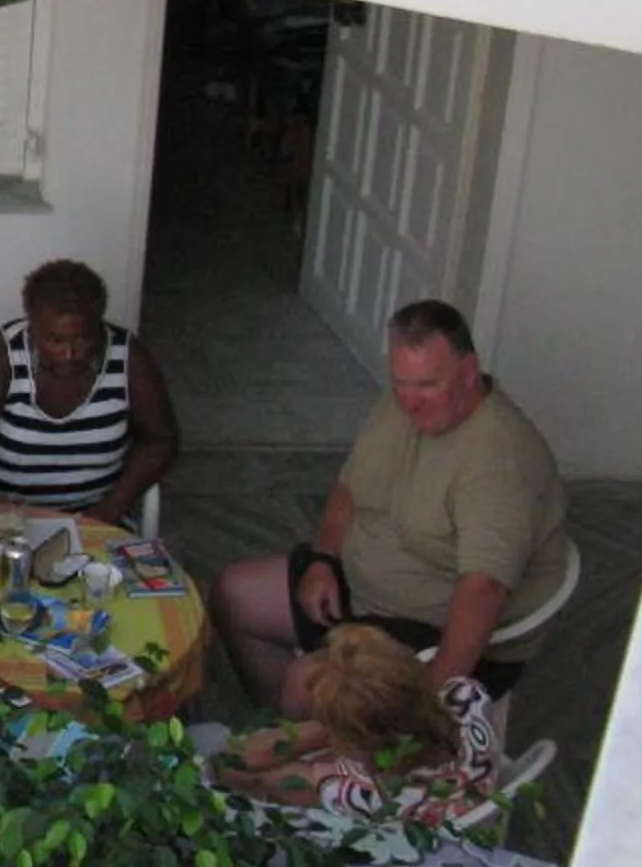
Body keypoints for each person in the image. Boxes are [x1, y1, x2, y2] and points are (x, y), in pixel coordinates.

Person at [210, 298, 569, 713]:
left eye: (427, 385)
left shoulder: (497, 462)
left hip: (434, 631)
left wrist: (431, 703)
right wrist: (323, 558)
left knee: (307, 682)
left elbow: (483, 591)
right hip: (362, 589)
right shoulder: (399, 406)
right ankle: (281, 727)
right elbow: (350, 487)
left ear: (469, 371)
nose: (410, 401)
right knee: (233, 595)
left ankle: (315, 741)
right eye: (401, 383)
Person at [0, 258, 178, 527]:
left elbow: (160, 439)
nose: (69, 354)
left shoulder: (129, 357)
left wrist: (109, 510)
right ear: (32, 327)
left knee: (103, 557)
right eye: (55, 340)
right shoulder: (3, 353)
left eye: (83, 339)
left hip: (96, 510)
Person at [208, 623, 500, 826]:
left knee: (207, 737)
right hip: (463, 799)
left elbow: (227, 766)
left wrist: (328, 728)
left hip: (390, 844)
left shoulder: (357, 792)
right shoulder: (468, 696)